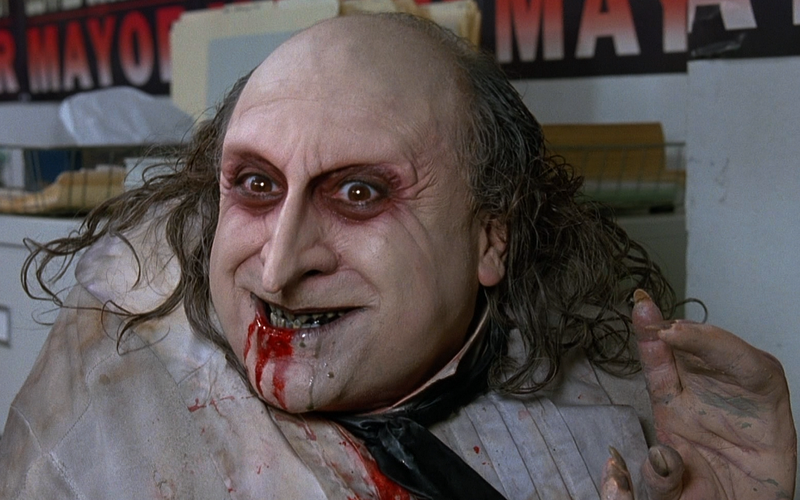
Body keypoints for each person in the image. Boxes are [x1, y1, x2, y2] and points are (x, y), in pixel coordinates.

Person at [0, 12, 795, 500]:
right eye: (257, 183)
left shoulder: (624, 416)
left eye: (358, 194)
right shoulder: (103, 433)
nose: (278, 269)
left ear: (491, 238)